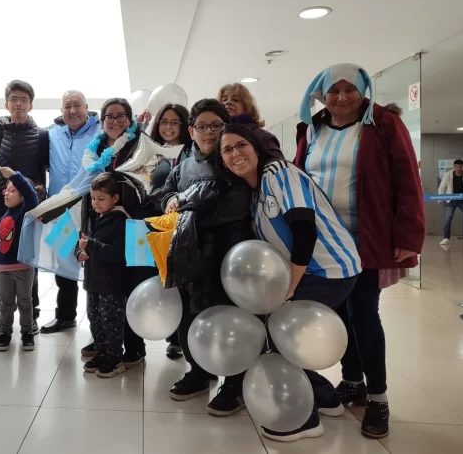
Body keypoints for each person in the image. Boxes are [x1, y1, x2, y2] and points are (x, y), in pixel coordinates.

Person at [294, 63, 425, 439]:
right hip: (324, 241)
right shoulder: (312, 128)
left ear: (363, 90)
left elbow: (406, 179)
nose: (341, 97)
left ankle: (379, 397)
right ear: (321, 94)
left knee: (363, 312)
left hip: (363, 238)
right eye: (332, 90)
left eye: (350, 89)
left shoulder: (383, 124)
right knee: (337, 311)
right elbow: (301, 176)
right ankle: (352, 381)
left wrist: (407, 234)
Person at [218, 123, 361, 442]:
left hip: (330, 269)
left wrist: (290, 288)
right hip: (311, 272)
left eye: (241, 145)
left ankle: (304, 419)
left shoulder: (278, 172)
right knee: (276, 332)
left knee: (278, 334)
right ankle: (325, 398)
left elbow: (305, 230)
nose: (235, 153)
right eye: (227, 150)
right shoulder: (255, 196)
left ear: (256, 147)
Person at [160, 98, 254, 416]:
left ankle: (235, 382)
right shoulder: (184, 163)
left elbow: (238, 206)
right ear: (191, 131)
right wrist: (173, 201)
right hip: (190, 254)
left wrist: (193, 213)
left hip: (229, 256)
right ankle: (200, 372)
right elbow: (167, 193)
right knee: (190, 316)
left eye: (216, 125)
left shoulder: (234, 157)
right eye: (202, 126)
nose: (209, 132)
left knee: (229, 320)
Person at [77, 97, 155, 370]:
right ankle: (106, 342)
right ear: (102, 120)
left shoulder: (137, 143)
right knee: (102, 283)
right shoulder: (96, 147)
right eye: (109, 116)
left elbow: (148, 177)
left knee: (128, 283)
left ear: (130, 119)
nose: (115, 121)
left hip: (131, 221)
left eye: (121, 116)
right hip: (98, 217)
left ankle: (133, 346)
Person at [0, 80, 49, 336]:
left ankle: (30, 314)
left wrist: (38, 198)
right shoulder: (0, 132)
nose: (19, 103)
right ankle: (1, 315)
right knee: (2, 259)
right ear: (6, 104)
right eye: (14, 99)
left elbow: (46, 170)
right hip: (0, 206)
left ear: (31, 105)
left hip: (28, 209)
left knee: (27, 261)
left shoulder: (42, 134)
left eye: (23, 99)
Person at [41, 90, 100, 335]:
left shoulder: (100, 132)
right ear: (61, 110)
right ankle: (65, 316)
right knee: (64, 266)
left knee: (97, 265)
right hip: (61, 210)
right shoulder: (51, 134)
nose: (72, 110)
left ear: (87, 108)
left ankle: (99, 323)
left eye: (77, 105)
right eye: (67, 106)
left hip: (94, 208)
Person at [0, 167, 40, 352]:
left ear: (22, 196)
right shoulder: (2, 219)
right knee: (5, 303)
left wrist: (14, 176)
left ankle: (27, 333)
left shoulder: (26, 214)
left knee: (25, 301)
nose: (6, 193)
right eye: (6, 189)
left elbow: (31, 194)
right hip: (4, 269)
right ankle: (5, 333)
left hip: (24, 267)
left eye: (12, 190)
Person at [148, 103, 192, 359]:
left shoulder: (191, 151)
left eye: (174, 122)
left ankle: (183, 337)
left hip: (184, 222)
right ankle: (172, 336)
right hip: (156, 222)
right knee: (163, 279)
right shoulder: (149, 152)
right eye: (164, 122)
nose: (168, 127)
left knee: (183, 280)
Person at [78, 173, 129, 378]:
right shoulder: (93, 218)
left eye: (101, 199)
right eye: (93, 198)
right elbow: (82, 242)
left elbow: (118, 254)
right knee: (95, 318)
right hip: (93, 281)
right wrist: (79, 252)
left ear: (114, 198)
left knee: (111, 321)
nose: (96, 203)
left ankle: (115, 358)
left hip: (112, 284)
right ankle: (101, 351)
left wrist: (91, 245)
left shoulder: (121, 221)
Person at [217, 83, 283, 158]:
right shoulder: (216, 138)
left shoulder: (262, 136)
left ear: (246, 106)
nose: (228, 102)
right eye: (224, 100)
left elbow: (280, 166)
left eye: (236, 100)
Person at [438, 159, 463, 244]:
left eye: (460, 166)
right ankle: (446, 238)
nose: (458, 168)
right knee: (447, 218)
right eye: (456, 166)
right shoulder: (447, 175)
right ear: (454, 167)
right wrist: (440, 198)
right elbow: (442, 187)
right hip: (451, 200)